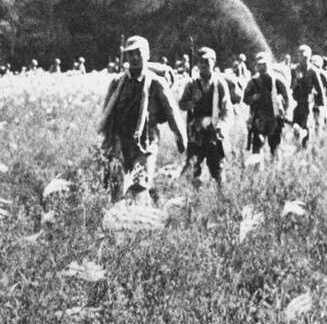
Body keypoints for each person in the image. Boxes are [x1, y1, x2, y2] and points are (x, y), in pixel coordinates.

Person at [98, 35, 185, 203]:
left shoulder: (156, 83)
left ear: (147, 54)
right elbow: (107, 113)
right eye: (130, 54)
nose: (135, 58)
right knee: (115, 187)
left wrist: (181, 137)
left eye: (138, 53)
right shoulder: (117, 83)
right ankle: (123, 213)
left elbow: (172, 112)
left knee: (139, 185)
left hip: (145, 143)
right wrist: (107, 141)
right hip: (121, 142)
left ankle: (142, 214)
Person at [178, 47, 231, 191]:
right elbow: (182, 104)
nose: (203, 65)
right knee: (193, 166)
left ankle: (221, 196)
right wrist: (191, 103)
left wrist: (222, 127)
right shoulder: (192, 84)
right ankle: (193, 195)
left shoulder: (219, 83)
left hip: (214, 132)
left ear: (213, 62)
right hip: (196, 133)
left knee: (217, 168)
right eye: (200, 62)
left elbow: (227, 109)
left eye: (207, 62)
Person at [243, 51, 290, 157]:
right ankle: (257, 166)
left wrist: (284, 112)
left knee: (275, 147)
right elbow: (245, 99)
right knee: (257, 146)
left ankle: (275, 166)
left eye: (264, 64)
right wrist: (254, 98)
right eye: (259, 65)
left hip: (275, 118)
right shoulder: (253, 82)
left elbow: (287, 99)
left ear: (269, 64)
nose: (262, 67)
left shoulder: (278, 80)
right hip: (259, 118)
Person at [290, 44, 326, 147]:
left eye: (305, 56)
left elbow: (319, 88)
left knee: (306, 124)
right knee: (295, 124)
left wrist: (322, 104)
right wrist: (295, 82)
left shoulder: (313, 71)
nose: (302, 59)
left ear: (309, 57)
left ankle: (305, 146)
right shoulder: (295, 69)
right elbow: (291, 86)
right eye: (300, 56)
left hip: (308, 101)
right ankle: (297, 145)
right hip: (297, 101)